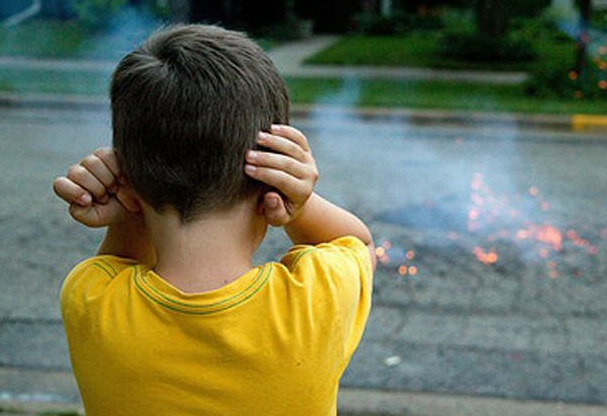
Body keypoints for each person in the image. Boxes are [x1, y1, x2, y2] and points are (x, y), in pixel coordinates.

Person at [53, 24, 376, 416]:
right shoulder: (316, 300)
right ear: (270, 181)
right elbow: (358, 244)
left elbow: (120, 264)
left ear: (130, 178)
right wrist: (302, 204)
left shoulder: (89, 299)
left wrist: (129, 207)